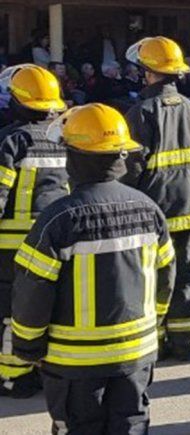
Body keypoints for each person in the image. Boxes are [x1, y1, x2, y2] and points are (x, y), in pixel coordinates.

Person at [11, 103, 175, 433]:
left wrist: (28, 346)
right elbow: (166, 275)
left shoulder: (58, 219)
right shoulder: (149, 210)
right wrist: (153, 325)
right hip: (135, 355)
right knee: (131, 426)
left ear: (75, 157)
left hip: (77, 364)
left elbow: (33, 291)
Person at [124, 36, 190, 361]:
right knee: (185, 273)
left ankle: (158, 339)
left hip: (153, 212)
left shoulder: (141, 112)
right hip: (189, 211)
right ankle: (183, 340)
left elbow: (131, 167)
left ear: (148, 73)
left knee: (153, 276)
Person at [0, 64, 67, 398]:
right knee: (43, 306)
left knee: (10, 311)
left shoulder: (12, 140)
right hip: (52, 242)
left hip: (10, 246)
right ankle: (42, 368)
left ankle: (13, 375)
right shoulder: (63, 137)